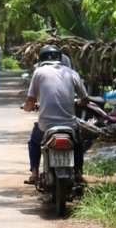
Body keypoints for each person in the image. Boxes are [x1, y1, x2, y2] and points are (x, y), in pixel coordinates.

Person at [22, 45, 90, 184]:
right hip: (69, 125)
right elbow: (85, 99)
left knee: (34, 142)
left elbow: (30, 100)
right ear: (60, 58)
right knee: (78, 144)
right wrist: (78, 103)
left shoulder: (39, 72)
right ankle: (78, 174)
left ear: (42, 59)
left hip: (45, 126)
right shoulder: (72, 73)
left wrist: (27, 108)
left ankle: (34, 174)